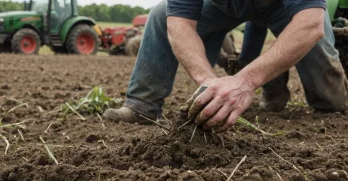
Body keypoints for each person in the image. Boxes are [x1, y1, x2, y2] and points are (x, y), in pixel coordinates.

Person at [104, 0, 348, 133]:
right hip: (225, 5)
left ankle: (274, 70)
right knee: (160, 14)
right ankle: (143, 104)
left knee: (331, 101)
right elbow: (180, 24)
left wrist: (246, 81)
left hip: (284, 7)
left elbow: (310, 23)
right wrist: (208, 82)